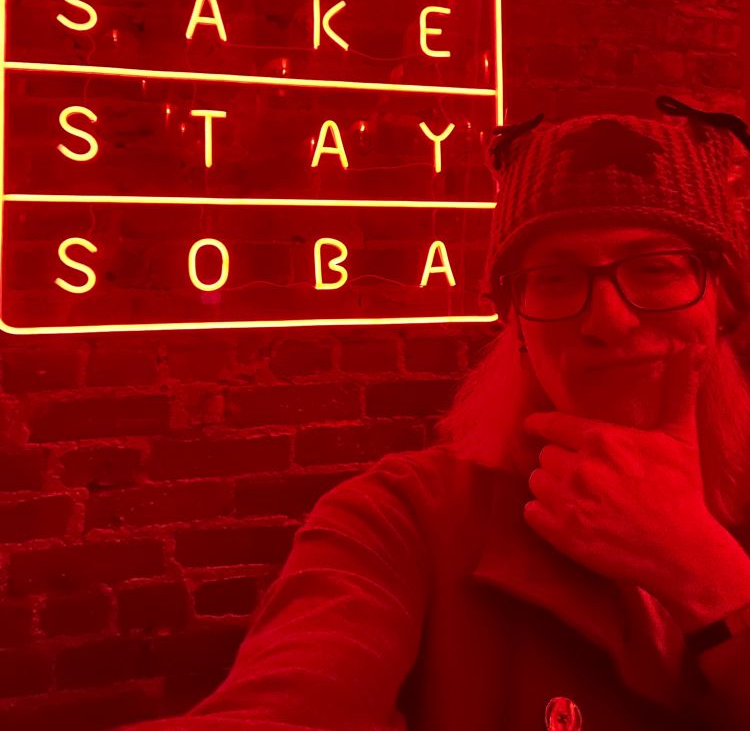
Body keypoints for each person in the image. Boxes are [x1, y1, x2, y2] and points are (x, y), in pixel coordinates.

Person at [119, 96, 750, 731]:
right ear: (518, 325)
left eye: (658, 268)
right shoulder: (404, 521)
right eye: (555, 279)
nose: (608, 319)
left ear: (722, 302)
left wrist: (701, 571)